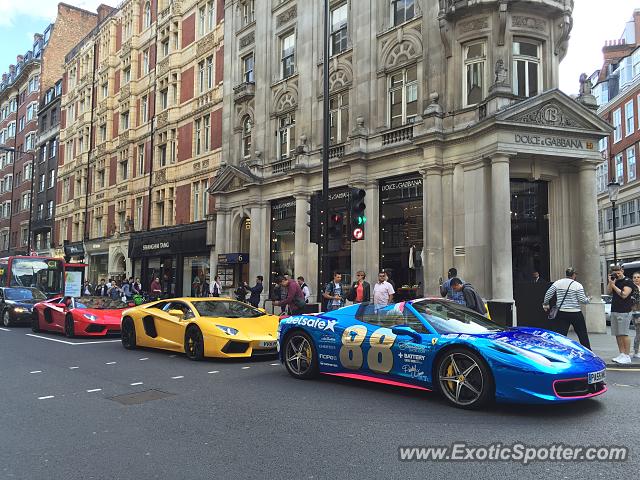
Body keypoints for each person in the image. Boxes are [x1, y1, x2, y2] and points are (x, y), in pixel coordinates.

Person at [542, 267, 591, 349]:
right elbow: (582, 300)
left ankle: (559, 350)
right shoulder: (578, 285)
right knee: (582, 334)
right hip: (576, 313)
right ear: (574, 275)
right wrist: (588, 299)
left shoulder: (558, 283)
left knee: (561, 334)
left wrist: (545, 304)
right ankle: (588, 351)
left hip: (562, 312)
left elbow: (548, 293)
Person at [609, 264, 635, 364]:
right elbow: (608, 291)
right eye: (614, 271)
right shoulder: (614, 280)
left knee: (624, 334)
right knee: (618, 334)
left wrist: (613, 285)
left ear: (622, 270)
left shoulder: (628, 281)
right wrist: (611, 282)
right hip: (615, 309)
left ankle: (627, 356)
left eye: (618, 271)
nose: (617, 273)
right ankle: (622, 354)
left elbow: (624, 295)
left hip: (624, 311)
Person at [631, 272, 640, 359]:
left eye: (638, 277)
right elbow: (633, 302)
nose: (636, 279)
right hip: (636, 313)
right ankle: (636, 352)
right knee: (638, 333)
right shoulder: (632, 288)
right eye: (634, 277)